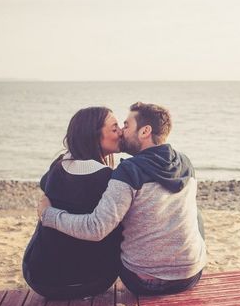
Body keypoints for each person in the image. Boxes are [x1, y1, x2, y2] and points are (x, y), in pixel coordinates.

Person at [38, 102, 206, 296]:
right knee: (196, 216)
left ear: (145, 131)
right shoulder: (185, 163)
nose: (122, 132)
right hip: (189, 277)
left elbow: (97, 228)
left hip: (141, 281)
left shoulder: (128, 171)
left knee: (118, 222)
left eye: (126, 126)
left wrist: (48, 215)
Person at [23, 107, 123, 299]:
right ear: (94, 136)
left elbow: (45, 184)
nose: (120, 132)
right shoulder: (109, 178)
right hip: (94, 280)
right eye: (114, 128)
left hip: (40, 278)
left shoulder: (58, 166)